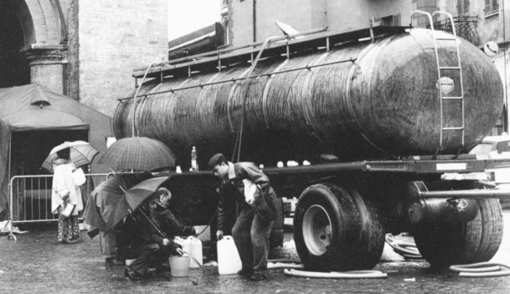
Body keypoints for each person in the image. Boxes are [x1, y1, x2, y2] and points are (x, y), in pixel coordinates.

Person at [208, 153, 279, 281]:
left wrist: (255, 194)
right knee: (237, 231)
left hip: (264, 204)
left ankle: (260, 270)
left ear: (223, 164)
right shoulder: (224, 181)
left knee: (257, 235)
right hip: (250, 206)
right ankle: (248, 267)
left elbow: (264, 180)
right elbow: (223, 205)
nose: (215, 174)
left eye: (216, 170)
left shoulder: (243, 168)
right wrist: (220, 228)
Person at [123, 189, 196, 281]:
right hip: (134, 246)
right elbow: (146, 236)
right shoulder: (139, 216)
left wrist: (174, 246)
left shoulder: (149, 214)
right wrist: (161, 241)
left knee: (164, 245)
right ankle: (132, 269)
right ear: (147, 203)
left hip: (143, 243)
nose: (155, 206)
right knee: (155, 247)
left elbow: (159, 232)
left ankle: (149, 268)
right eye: (153, 204)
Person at [83, 172, 153, 264]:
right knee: (109, 225)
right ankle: (111, 256)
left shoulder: (129, 178)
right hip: (105, 196)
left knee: (109, 225)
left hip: (104, 194)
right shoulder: (131, 180)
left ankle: (112, 254)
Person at [51, 147, 83, 244]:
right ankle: (67, 236)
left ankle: (70, 235)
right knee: (66, 216)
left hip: (70, 195)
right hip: (66, 197)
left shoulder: (69, 165)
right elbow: (60, 184)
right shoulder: (60, 167)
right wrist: (65, 195)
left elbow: (78, 181)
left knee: (69, 216)